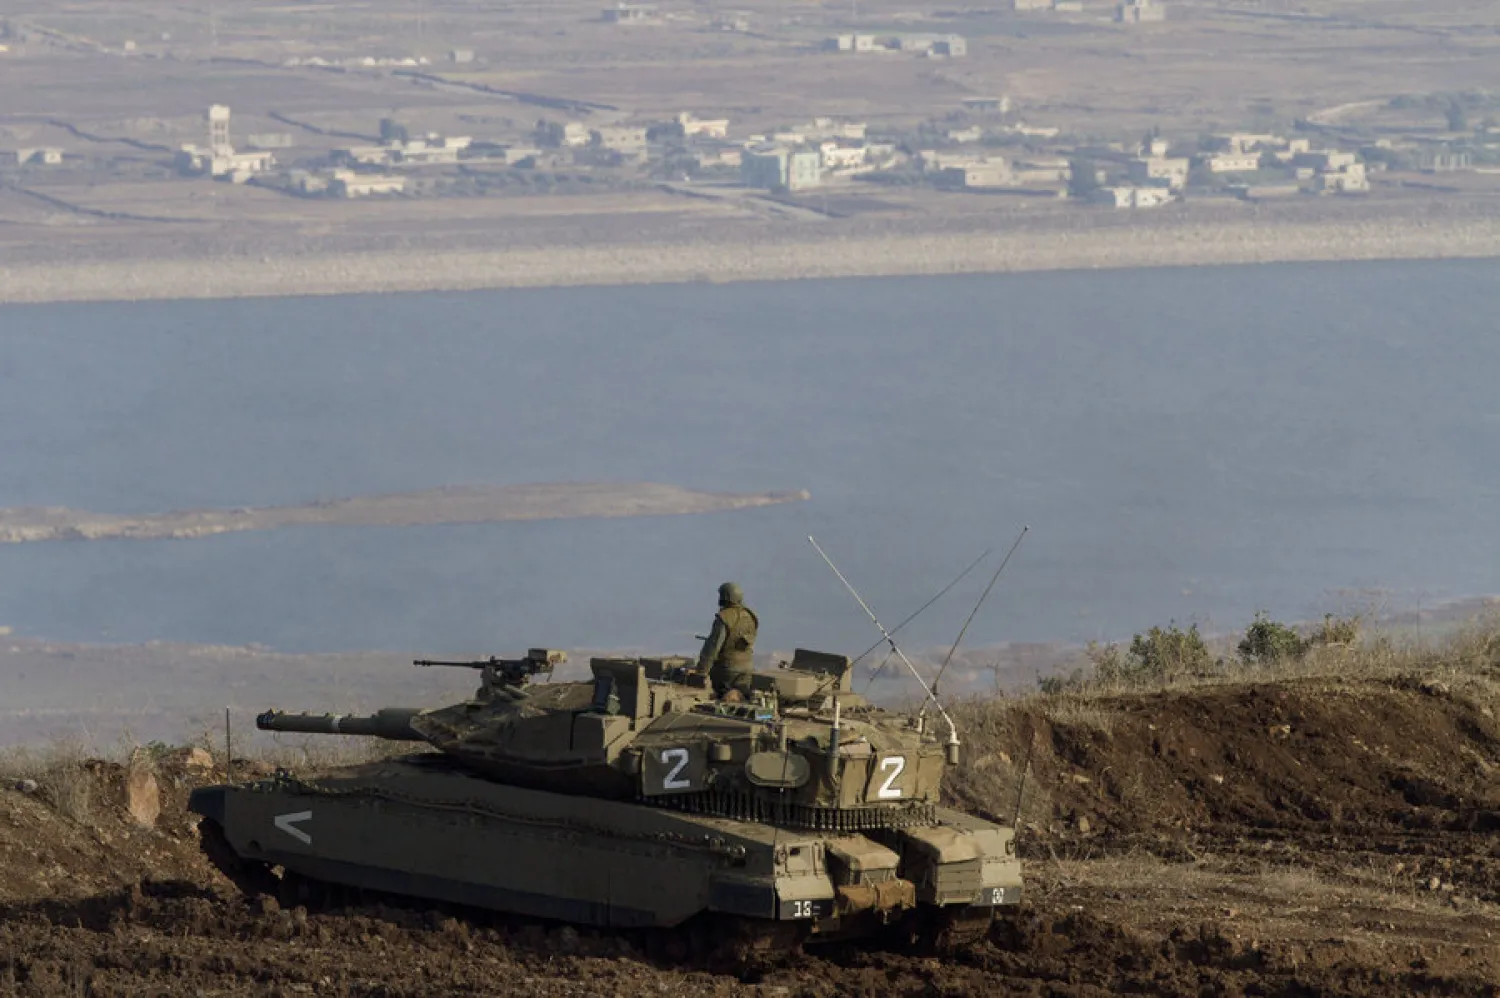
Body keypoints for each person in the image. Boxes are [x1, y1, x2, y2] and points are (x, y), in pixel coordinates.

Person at [696, 581, 758, 699]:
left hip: (726, 671)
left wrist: (701, 671)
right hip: (747, 670)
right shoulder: (751, 616)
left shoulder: (724, 617)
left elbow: (713, 648)